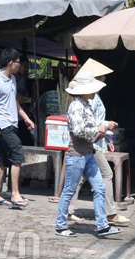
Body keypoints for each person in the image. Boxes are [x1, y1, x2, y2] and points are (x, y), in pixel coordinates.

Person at [55, 69, 122, 238]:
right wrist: (100, 129)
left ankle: (103, 225)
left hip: (88, 152)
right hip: (77, 154)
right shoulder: (76, 106)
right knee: (69, 190)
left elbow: (88, 130)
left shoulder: (86, 105)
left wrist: (101, 130)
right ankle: (60, 225)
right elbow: (79, 131)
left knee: (99, 188)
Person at [66, 59, 130, 226]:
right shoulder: (87, 99)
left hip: (94, 141)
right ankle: (110, 214)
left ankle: (67, 211)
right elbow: (88, 124)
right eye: (102, 76)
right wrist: (104, 128)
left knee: (78, 178)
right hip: (90, 143)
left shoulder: (91, 97)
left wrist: (106, 135)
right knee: (106, 175)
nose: (105, 79)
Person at [0, 48, 35, 208]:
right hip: (3, 125)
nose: (20, 66)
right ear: (11, 63)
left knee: (2, 160)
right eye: (18, 62)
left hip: (13, 124)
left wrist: (26, 118)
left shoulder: (12, 79)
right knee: (17, 153)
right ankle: (15, 194)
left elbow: (15, 102)